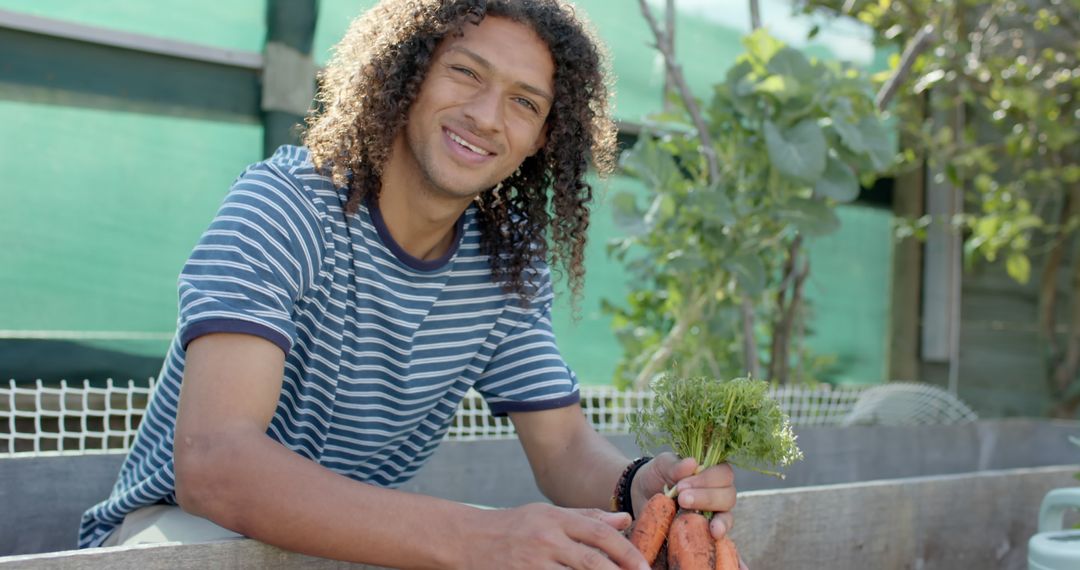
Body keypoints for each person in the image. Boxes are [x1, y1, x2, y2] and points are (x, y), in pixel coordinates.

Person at [80, 1, 740, 568]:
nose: (487, 116)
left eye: (524, 102)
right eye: (465, 73)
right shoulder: (285, 208)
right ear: (409, 72)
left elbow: (565, 446)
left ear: (542, 138)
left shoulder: (504, 266)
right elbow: (215, 466)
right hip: (173, 542)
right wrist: (482, 536)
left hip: (346, 550)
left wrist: (636, 484)